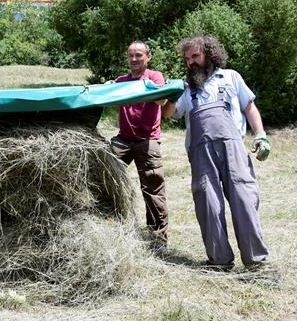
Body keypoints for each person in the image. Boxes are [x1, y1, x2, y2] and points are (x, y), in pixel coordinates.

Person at [161, 35, 271, 269]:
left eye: (196, 56)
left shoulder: (230, 77)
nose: (191, 62)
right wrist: (168, 98)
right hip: (200, 154)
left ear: (209, 54)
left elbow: (249, 106)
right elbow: (169, 114)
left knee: (244, 200)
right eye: (187, 58)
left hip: (233, 148)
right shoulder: (184, 86)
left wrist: (260, 134)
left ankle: (256, 261)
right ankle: (219, 261)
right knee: (208, 204)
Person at [110, 41, 169, 251]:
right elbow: (104, 96)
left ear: (148, 57)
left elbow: (162, 100)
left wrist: (146, 88)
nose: (134, 59)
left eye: (139, 55)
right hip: (123, 140)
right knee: (104, 176)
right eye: (131, 56)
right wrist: (108, 87)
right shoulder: (121, 81)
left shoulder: (154, 77)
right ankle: (110, 226)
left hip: (148, 140)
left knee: (152, 189)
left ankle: (158, 239)